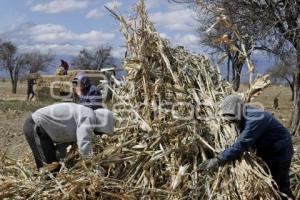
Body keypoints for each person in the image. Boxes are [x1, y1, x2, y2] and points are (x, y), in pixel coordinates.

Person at [202, 95, 294, 200]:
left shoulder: (254, 119)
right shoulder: (244, 113)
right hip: (267, 148)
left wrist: (218, 159)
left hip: (280, 151)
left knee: (280, 185)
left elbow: (241, 144)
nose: (232, 121)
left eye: (233, 117)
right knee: (270, 180)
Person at [23, 103, 114, 171]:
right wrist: (93, 166)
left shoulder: (82, 117)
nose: (98, 135)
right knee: (48, 170)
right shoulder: (89, 116)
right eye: (101, 133)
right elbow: (84, 143)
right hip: (36, 127)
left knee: (54, 166)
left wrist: (64, 162)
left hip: (42, 131)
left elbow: (63, 144)